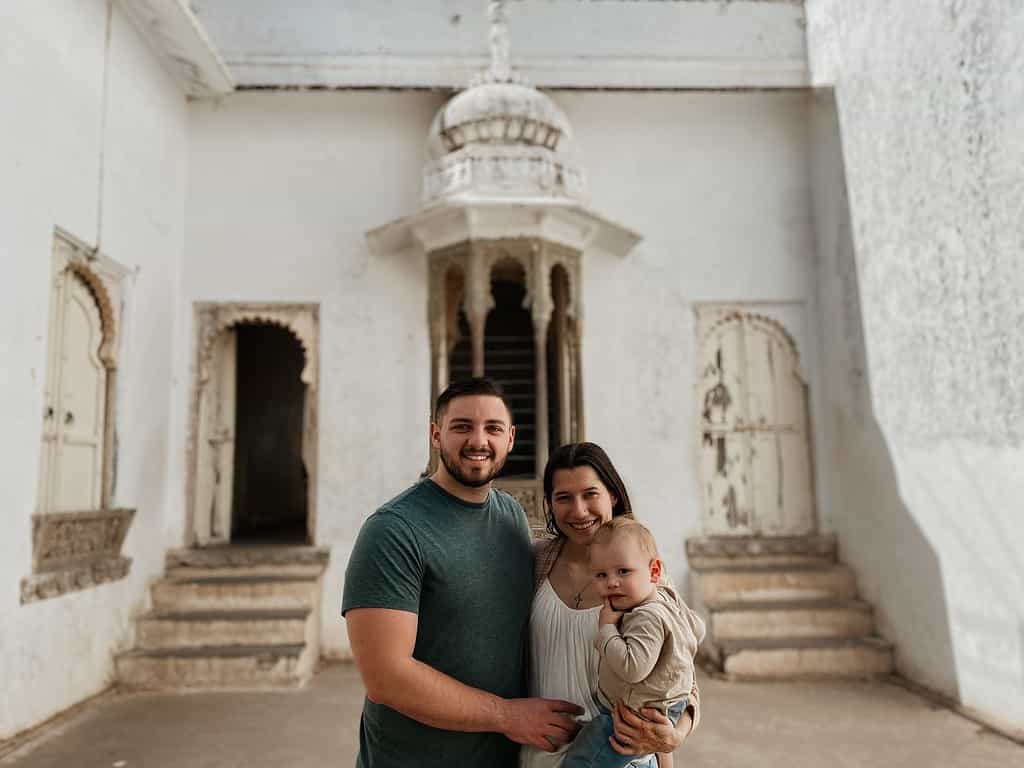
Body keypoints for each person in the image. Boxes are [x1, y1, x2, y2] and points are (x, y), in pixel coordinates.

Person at [342, 378, 583, 768]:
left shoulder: (511, 517)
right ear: (436, 435)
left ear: (510, 439)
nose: (478, 440)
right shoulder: (393, 530)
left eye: (492, 428)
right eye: (462, 427)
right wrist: (508, 715)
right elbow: (386, 677)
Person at [522, 443, 701, 768]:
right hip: (539, 754)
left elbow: (681, 678)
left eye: (590, 494)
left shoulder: (645, 580)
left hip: (617, 755)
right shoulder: (535, 563)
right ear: (549, 503)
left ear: (612, 496)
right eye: (564, 497)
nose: (579, 511)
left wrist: (675, 735)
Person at [562, 518, 705, 768]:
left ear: (654, 571)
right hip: (662, 707)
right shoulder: (666, 596)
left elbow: (633, 667)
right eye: (601, 575)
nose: (611, 582)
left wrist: (606, 630)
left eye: (623, 571)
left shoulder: (646, 617)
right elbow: (698, 629)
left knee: (581, 760)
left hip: (631, 716)